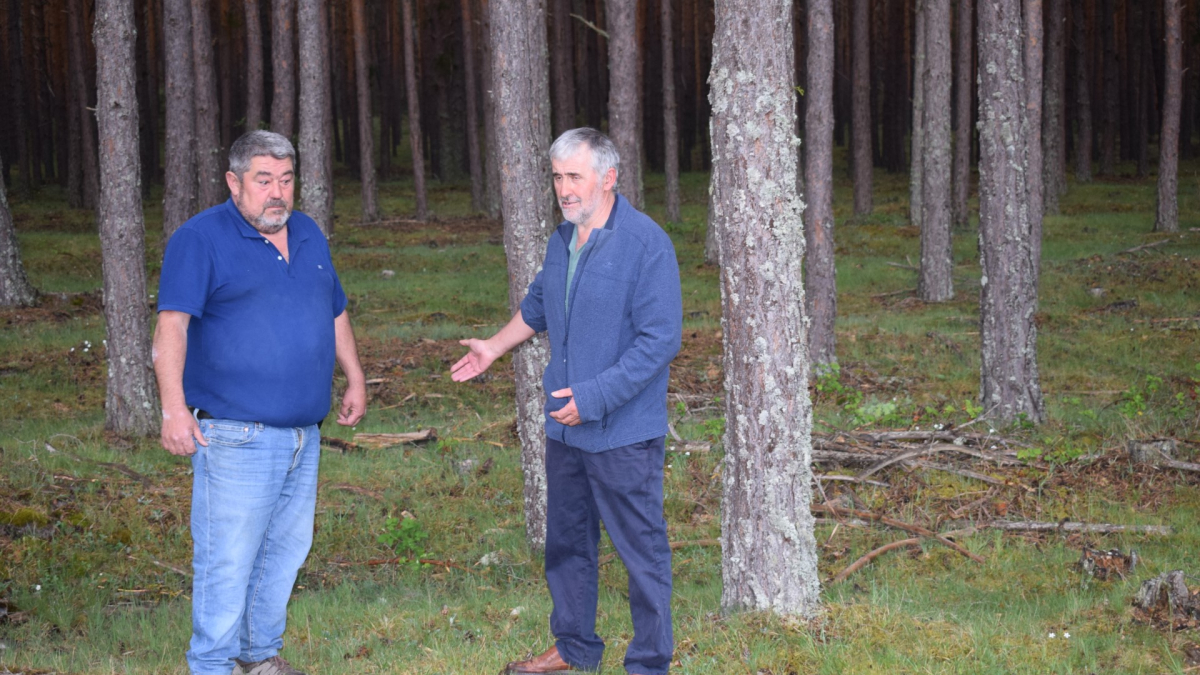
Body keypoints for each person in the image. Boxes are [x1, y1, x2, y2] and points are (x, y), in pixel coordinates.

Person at [452, 128, 682, 675]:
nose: (564, 189)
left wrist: (594, 398)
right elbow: (536, 308)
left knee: (640, 554)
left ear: (609, 177)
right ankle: (574, 647)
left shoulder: (646, 244)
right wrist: (492, 347)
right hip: (566, 430)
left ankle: (649, 662)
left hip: (623, 434)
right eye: (557, 177)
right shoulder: (563, 240)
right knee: (567, 547)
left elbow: (660, 341)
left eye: (574, 176)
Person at [153, 130, 367, 675]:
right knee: (228, 560)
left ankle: (258, 658)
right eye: (264, 180)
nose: (278, 193)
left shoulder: (309, 233)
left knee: (282, 554)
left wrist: (356, 377)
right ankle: (212, 665)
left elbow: (333, 308)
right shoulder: (200, 239)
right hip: (233, 434)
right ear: (234, 181)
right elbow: (171, 328)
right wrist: (173, 408)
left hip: (303, 433)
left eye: (287, 179)